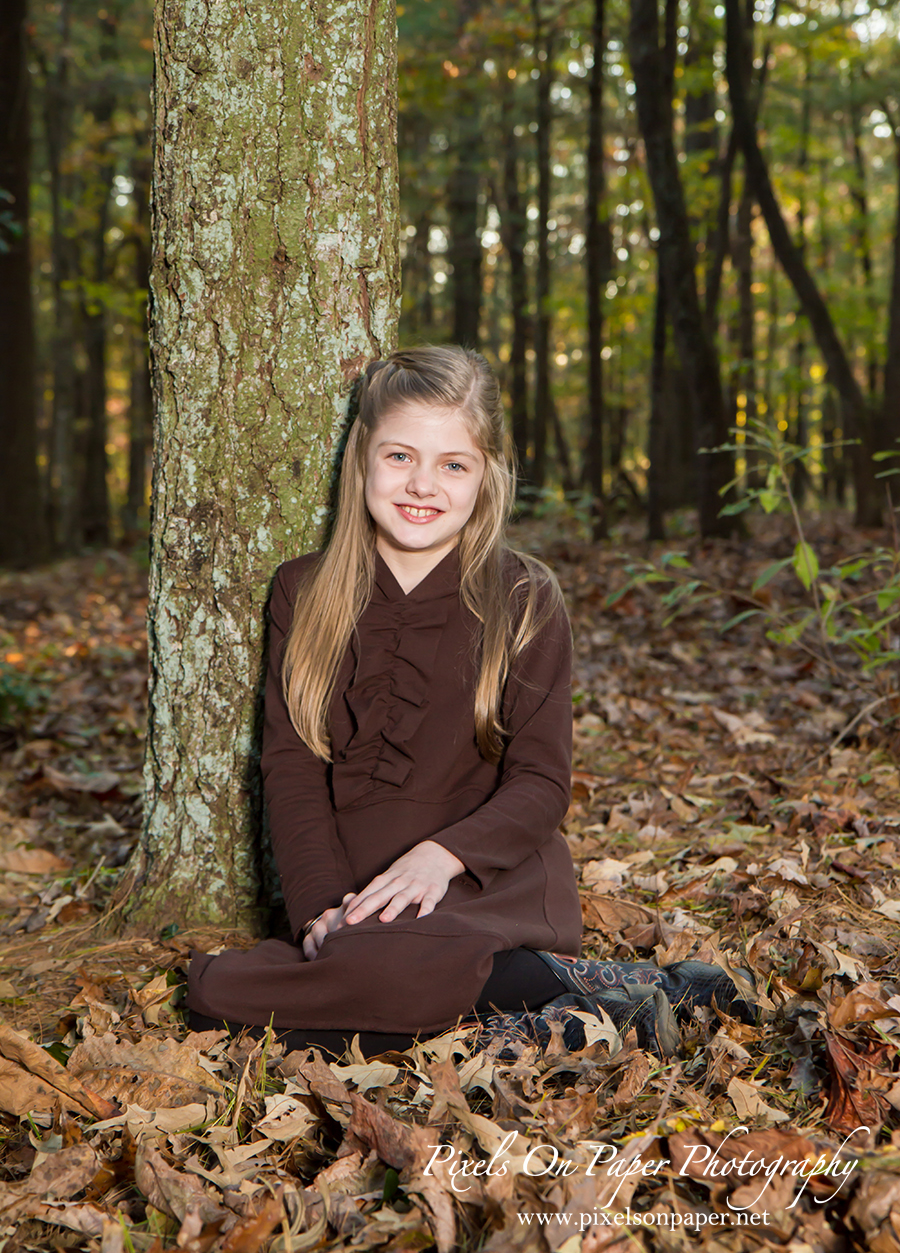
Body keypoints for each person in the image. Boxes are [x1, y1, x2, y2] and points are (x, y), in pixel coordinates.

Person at [186, 346, 751, 1058]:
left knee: (383, 971)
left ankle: (543, 978)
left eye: (454, 464)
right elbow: (291, 767)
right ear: (361, 456)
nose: (423, 485)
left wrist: (442, 856)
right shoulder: (303, 591)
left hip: (487, 883)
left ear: (487, 477)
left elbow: (543, 783)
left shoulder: (523, 598)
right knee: (211, 994)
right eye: (399, 457)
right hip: (361, 898)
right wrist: (319, 912)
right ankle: (558, 1002)